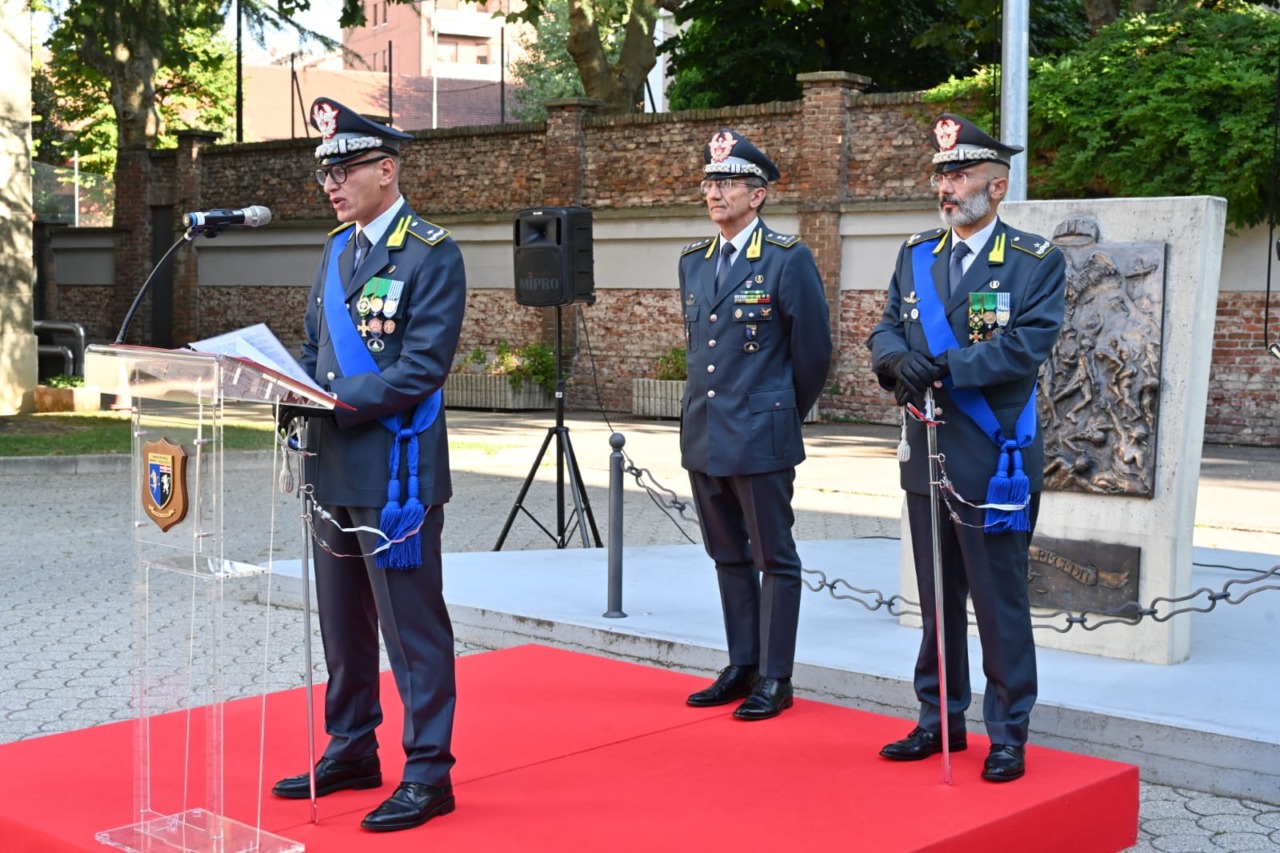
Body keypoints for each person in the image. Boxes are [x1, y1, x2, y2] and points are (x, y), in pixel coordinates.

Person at [271, 97, 467, 832]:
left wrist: (323, 393)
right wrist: (283, 382)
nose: (333, 181)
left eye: (346, 167)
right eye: (327, 169)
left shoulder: (432, 252)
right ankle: (352, 743)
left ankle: (428, 769)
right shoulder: (336, 250)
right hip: (331, 464)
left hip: (394, 477)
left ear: (387, 169)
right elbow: (316, 348)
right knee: (343, 626)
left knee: (410, 627)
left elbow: (420, 367)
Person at [866, 113, 1066, 782]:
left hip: (993, 455)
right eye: (941, 175)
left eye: (960, 174)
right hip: (927, 450)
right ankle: (938, 718)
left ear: (997, 186)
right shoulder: (916, 253)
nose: (946, 187)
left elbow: (1024, 346)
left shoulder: (1036, 261)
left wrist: (942, 367)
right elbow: (886, 329)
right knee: (938, 599)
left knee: (999, 600)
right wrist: (900, 363)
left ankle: (1008, 731)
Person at [678, 129, 832, 721]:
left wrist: (777, 410)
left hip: (761, 433)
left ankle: (776, 675)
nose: (714, 193)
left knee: (775, 557)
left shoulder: (788, 259)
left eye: (727, 183)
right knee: (727, 555)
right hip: (706, 431)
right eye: (710, 182)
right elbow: (702, 348)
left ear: (758, 194)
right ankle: (742, 662)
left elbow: (812, 353)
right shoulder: (695, 261)